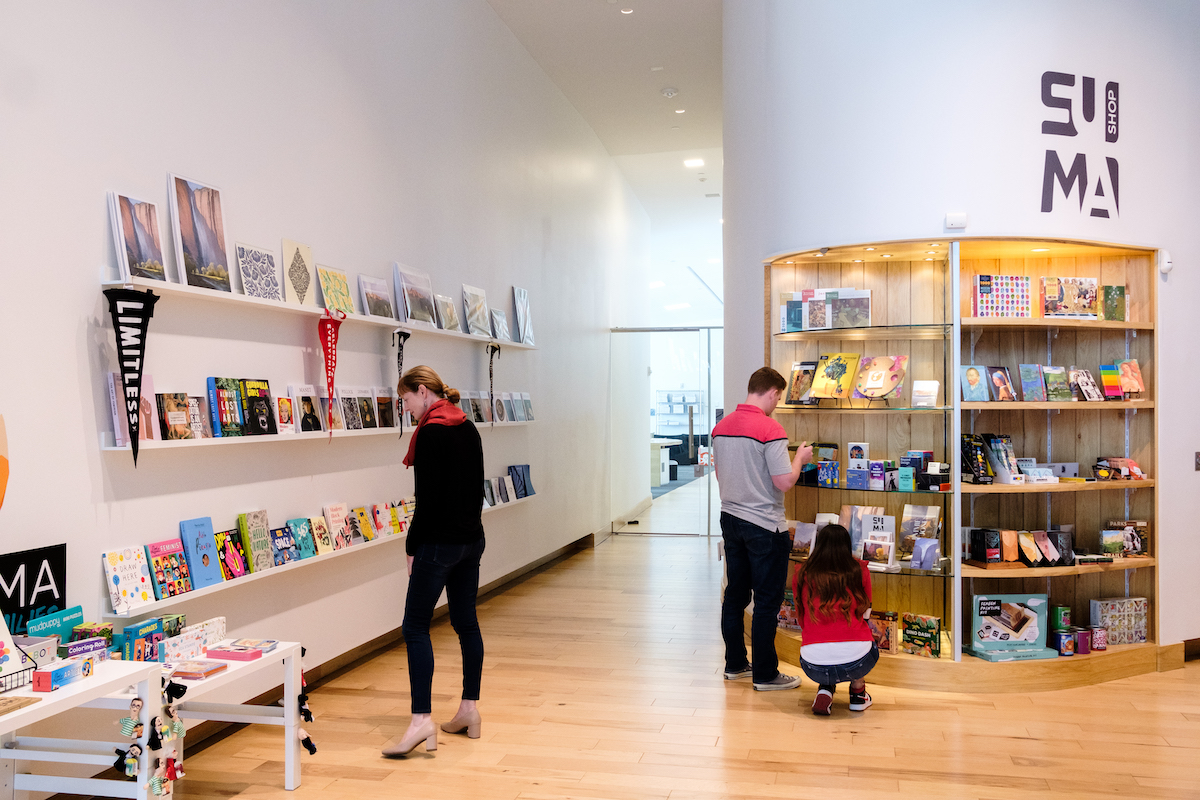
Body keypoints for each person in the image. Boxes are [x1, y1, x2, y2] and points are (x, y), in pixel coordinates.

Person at [382, 366, 485, 758]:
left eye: (406, 399)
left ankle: (421, 720)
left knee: (414, 627)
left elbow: (426, 502)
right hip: (471, 541)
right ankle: (469, 710)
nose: (406, 408)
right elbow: (475, 491)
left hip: (439, 545)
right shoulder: (468, 427)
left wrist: (411, 547)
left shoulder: (429, 433)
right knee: (466, 623)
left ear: (422, 391)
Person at [712, 367, 813, 691]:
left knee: (735, 596)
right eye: (778, 398)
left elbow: (720, 475)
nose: (776, 404)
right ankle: (766, 674)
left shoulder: (721, 428)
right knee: (767, 602)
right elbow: (783, 482)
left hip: (730, 518)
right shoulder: (771, 428)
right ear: (772, 392)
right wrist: (800, 458)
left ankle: (735, 664)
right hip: (765, 525)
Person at [793, 524, 877, 715]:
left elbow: (801, 615)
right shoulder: (859, 569)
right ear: (847, 545)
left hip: (813, 664)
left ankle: (825, 689)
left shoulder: (803, 572)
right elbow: (866, 612)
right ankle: (858, 693)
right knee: (867, 640)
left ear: (818, 544)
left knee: (823, 649)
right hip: (858, 660)